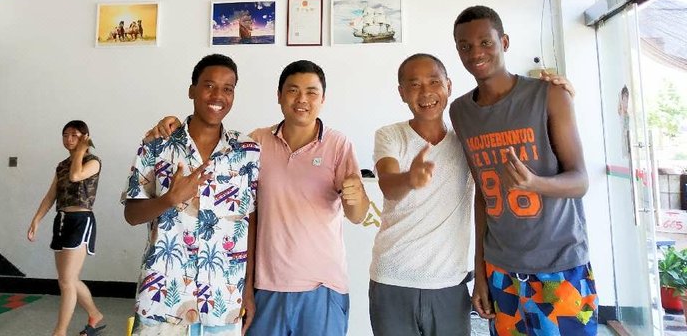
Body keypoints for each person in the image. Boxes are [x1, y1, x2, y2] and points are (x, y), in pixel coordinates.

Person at [148, 59, 370, 336]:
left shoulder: (338, 144)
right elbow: (241, 213)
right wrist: (171, 127)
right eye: (293, 90)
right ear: (279, 96)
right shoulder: (254, 144)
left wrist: (356, 197)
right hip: (266, 287)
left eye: (311, 92)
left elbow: (357, 215)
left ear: (323, 99)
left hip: (322, 287)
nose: (302, 99)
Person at [449, 5, 598, 336]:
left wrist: (535, 183)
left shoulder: (550, 94)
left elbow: (580, 180)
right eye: (465, 46)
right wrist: (480, 272)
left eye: (485, 42)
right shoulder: (460, 111)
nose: (475, 53)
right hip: (501, 268)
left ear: (504, 42)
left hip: (560, 264)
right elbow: (482, 196)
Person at [123, 54, 260, 336]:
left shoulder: (247, 151)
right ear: (192, 90)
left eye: (227, 88)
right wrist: (169, 200)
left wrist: (248, 289)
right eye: (209, 85)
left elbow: (250, 221)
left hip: (223, 301)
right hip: (162, 299)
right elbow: (132, 215)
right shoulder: (156, 146)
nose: (218, 95)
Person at [369, 53, 474, 336]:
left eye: (434, 82)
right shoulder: (390, 135)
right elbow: (388, 184)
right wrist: (410, 180)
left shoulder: (466, 138)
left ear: (449, 86)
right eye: (414, 85)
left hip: (449, 284)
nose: (426, 92)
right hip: (392, 280)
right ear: (402, 93)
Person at [27, 120, 104, 336]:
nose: (69, 139)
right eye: (65, 135)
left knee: (68, 281)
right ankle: (95, 314)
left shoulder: (93, 161)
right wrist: (36, 220)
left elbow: (75, 175)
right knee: (66, 280)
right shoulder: (61, 165)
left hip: (81, 219)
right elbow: (51, 195)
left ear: (85, 137)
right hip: (61, 220)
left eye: (74, 135)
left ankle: (60, 331)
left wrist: (80, 151)